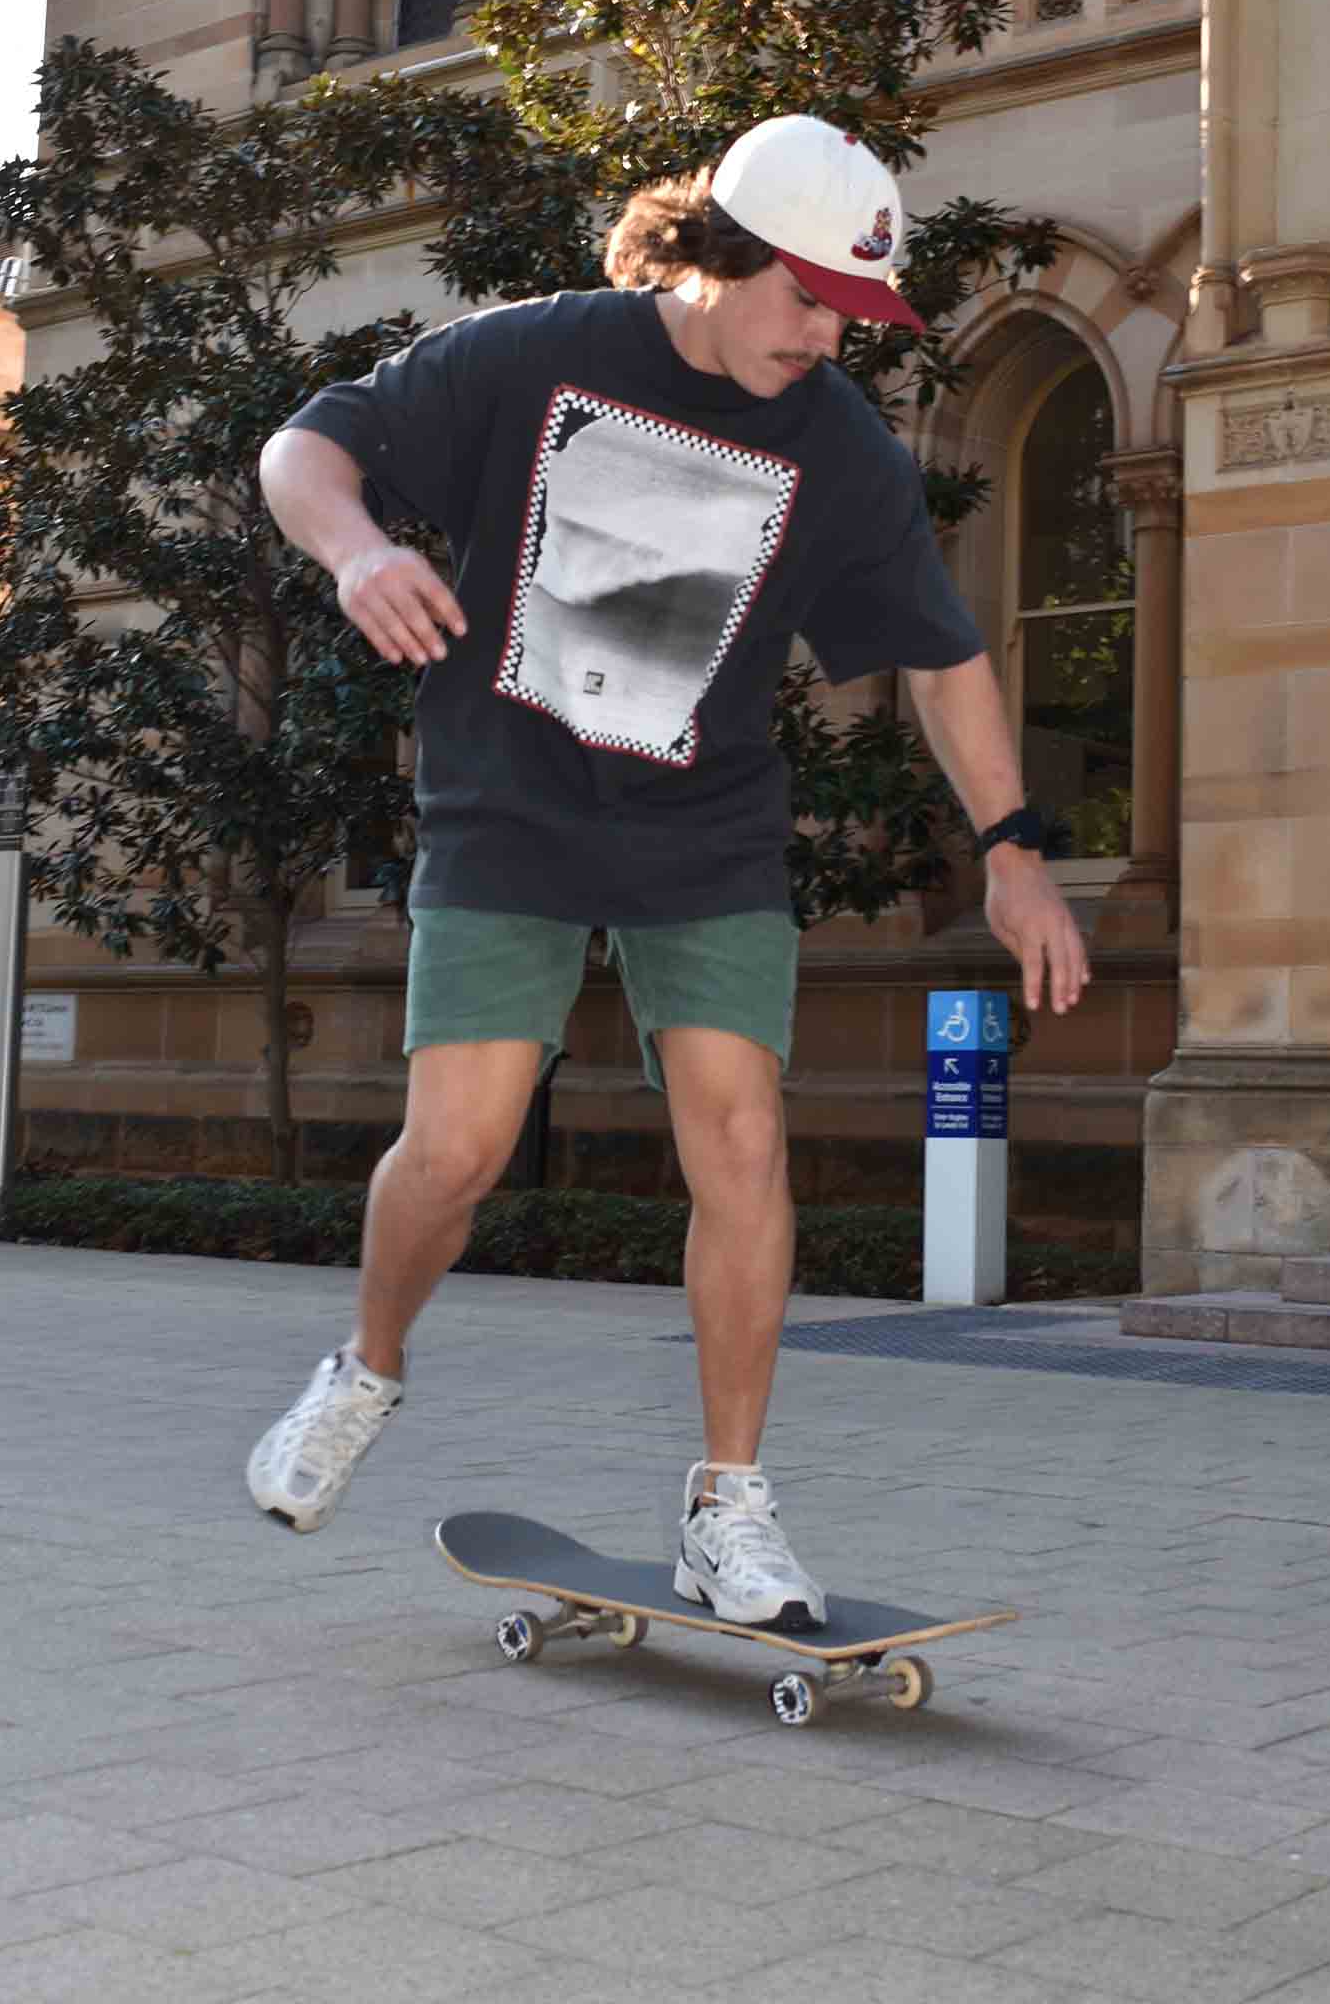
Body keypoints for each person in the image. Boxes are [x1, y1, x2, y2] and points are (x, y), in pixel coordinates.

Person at [249, 113, 1087, 1629]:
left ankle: (729, 1504)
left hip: (704, 828)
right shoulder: (535, 356)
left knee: (744, 1144)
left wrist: (1014, 850)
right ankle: (365, 1370)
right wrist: (358, 551)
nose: (831, 337)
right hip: (509, 804)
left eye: (856, 313)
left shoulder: (839, 449)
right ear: (721, 258)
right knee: (457, 1150)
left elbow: (945, 658)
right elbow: (306, 446)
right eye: (812, 299)